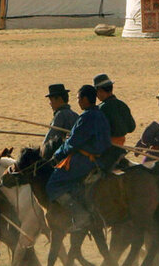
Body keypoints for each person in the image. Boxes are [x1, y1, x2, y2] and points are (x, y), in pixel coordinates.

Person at [44, 84, 112, 231]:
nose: (78, 102)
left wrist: (57, 154)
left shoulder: (86, 117)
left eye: (79, 98)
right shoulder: (100, 115)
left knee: (53, 185)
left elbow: (72, 143)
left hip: (84, 161)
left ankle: (80, 215)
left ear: (85, 99)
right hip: (99, 159)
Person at [94, 73, 136, 170]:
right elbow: (131, 127)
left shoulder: (101, 109)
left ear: (100, 91)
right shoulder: (122, 105)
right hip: (120, 149)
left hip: (106, 150)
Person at [40, 83, 78, 160]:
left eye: (51, 100)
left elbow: (50, 137)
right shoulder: (75, 115)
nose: (50, 103)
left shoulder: (60, 115)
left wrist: (41, 153)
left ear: (59, 99)